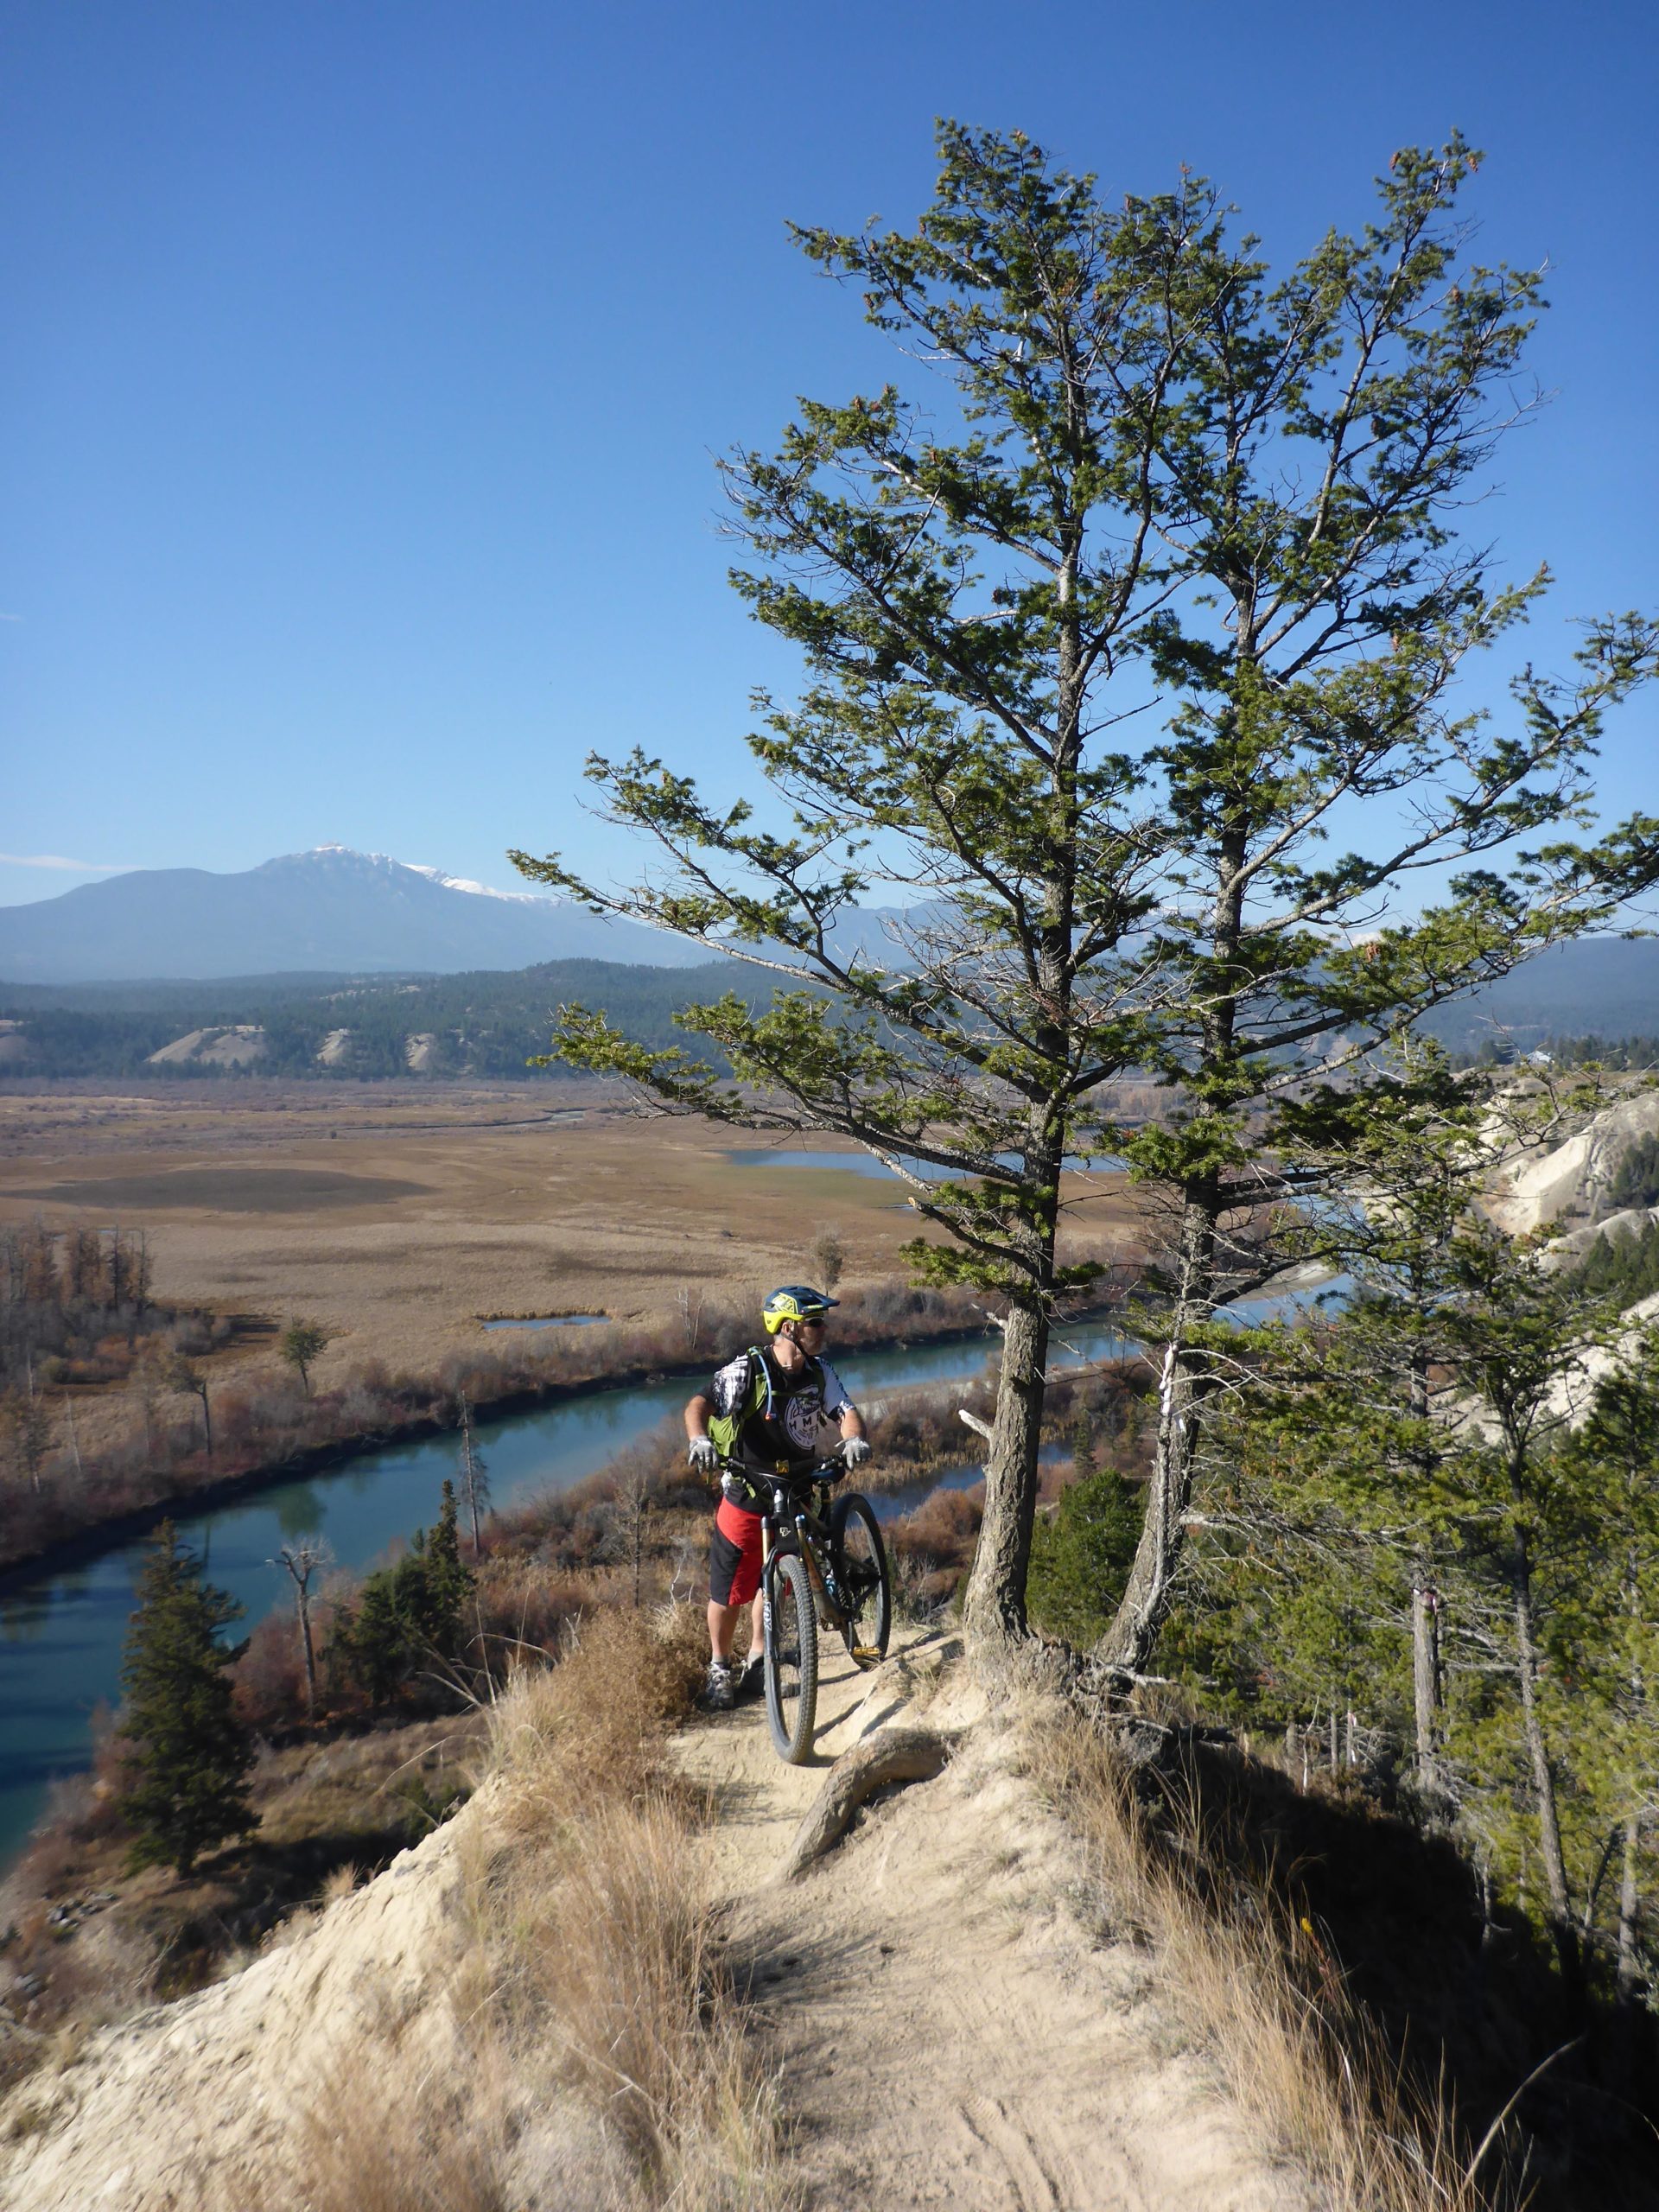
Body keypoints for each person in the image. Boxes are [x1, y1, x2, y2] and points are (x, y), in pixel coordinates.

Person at [685, 1284, 870, 1710]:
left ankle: (757, 1660)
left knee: (776, 1582)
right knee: (729, 1590)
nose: (823, 1329)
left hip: (797, 1489)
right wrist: (699, 1440)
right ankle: (719, 1667)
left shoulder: (820, 1371)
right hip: (748, 1494)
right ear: (789, 1328)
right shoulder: (750, 1369)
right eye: (815, 1322)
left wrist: (854, 1440)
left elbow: (846, 1412)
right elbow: (699, 1404)